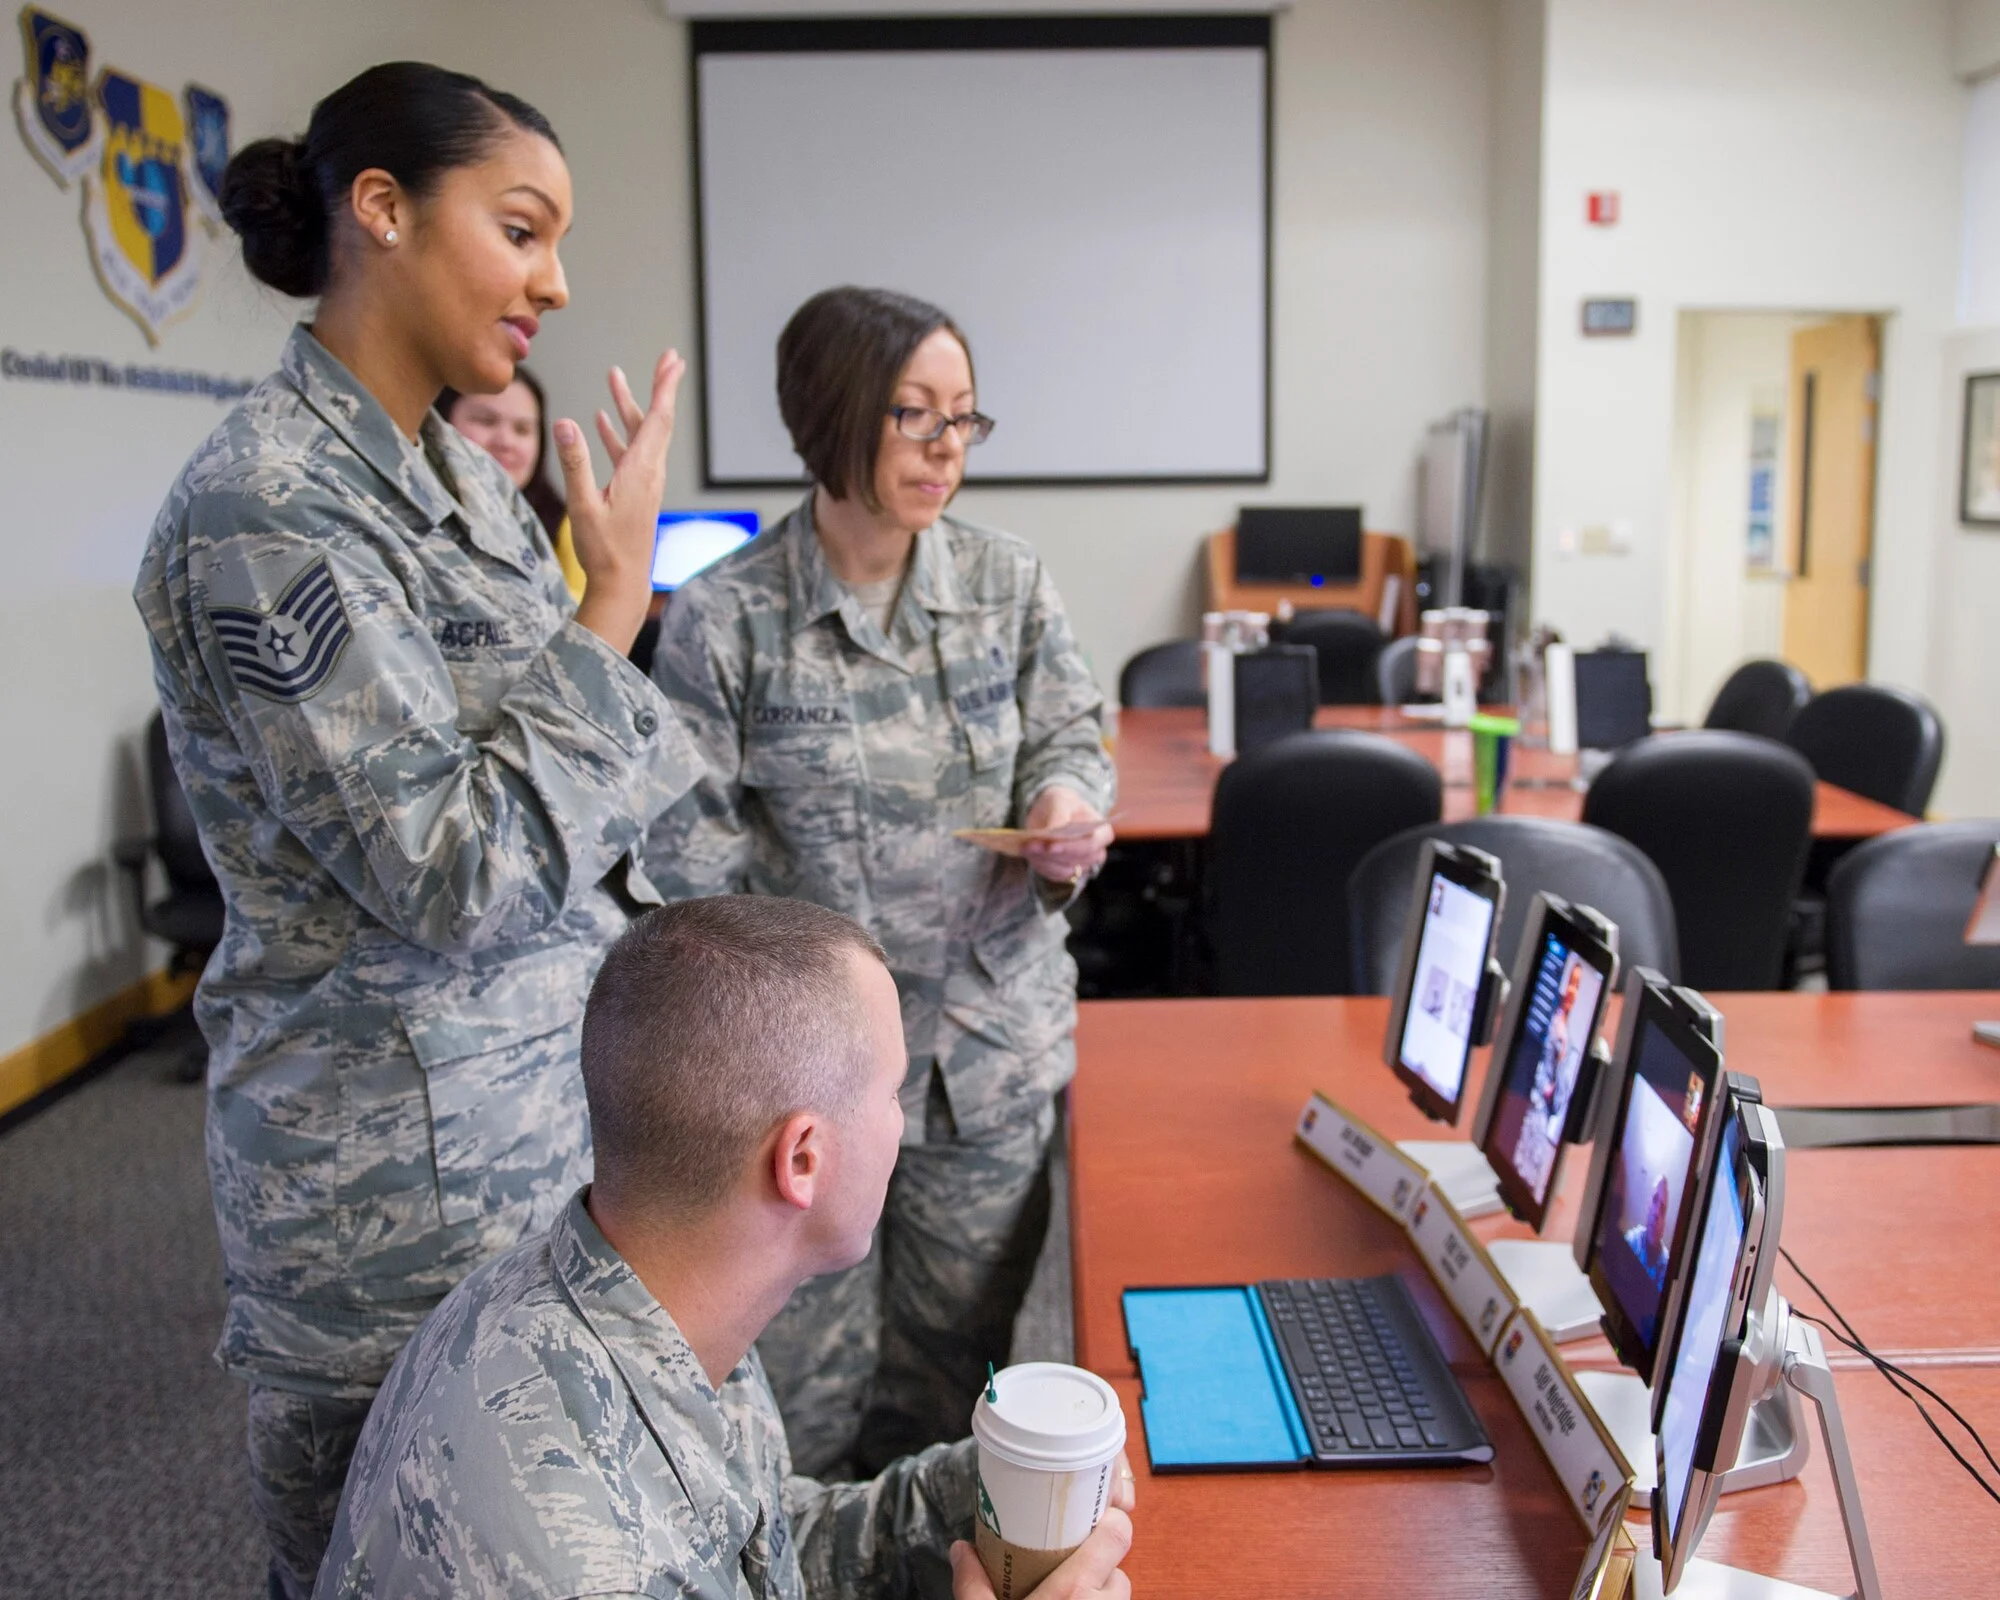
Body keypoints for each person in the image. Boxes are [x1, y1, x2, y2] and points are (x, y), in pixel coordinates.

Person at [131, 61, 703, 1597]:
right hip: (387, 1208)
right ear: (380, 210)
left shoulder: (453, 469)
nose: (557, 282)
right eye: (523, 230)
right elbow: (458, 870)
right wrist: (615, 595)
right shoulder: (267, 506)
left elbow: (575, 807)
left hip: (529, 1142)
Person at [316, 896, 1136, 1600]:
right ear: (802, 1159)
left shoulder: (631, 1285)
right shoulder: (582, 1558)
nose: (901, 1119)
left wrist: (977, 1490)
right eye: (891, 1091)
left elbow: (758, 1551)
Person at [644, 286, 1116, 1477]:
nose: (946, 448)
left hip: (977, 1059)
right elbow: (684, 863)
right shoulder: (727, 619)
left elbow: (1069, 734)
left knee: (956, 1386)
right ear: (831, 417)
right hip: (796, 1086)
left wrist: (1062, 806)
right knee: (793, 1398)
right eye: (914, 416)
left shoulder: (1007, 587)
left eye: (964, 419)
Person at [439, 366, 587, 598]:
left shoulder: (567, 528)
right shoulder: (416, 515)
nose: (506, 442)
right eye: (486, 421)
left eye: (522, 429)